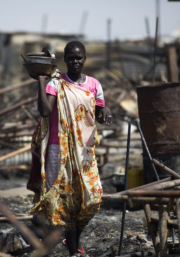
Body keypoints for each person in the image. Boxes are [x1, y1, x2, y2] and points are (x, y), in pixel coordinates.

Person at [27, 41, 112, 257]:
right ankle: (74, 251)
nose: (76, 61)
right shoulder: (56, 84)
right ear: (65, 60)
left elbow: (100, 111)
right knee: (65, 200)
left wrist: (107, 111)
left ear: (85, 59)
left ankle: (71, 239)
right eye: (71, 58)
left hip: (85, 150)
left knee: (92, 197)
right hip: (59, 149)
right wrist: (41, 82)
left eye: (79, 57)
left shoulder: (94, 84)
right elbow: (45, 111)